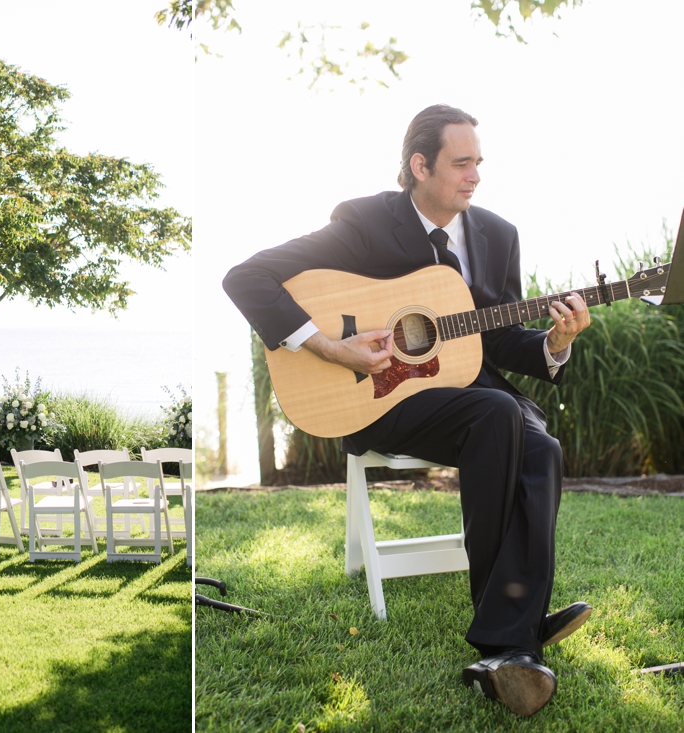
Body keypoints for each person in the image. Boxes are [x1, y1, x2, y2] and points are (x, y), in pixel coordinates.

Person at [223, 104, 593, 717]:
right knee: (498, 415)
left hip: (469, 397)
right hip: (379, 397)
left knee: (541, 446)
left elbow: (496, 339)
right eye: (461, 162)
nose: (475, 175)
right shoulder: (367, 221)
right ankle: (514, 633)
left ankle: (511, 642)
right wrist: (329, 344)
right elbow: (247, 277)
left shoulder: (497, 234)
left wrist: (556, 344)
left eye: (480, 162)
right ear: (420, 165)